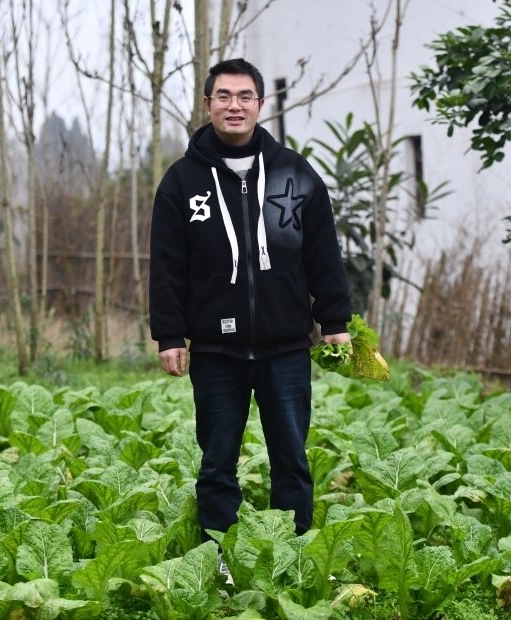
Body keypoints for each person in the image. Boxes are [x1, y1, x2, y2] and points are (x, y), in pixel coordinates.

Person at [148, 58, 352, 542]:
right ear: (207, 105)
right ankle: (220, 559)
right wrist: (169, 334)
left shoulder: (295, 174)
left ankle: (293, 553)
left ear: (260, 104)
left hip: (285, 346)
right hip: (217, 352)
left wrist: (335, 320)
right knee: (217, 461)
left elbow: (323, 250)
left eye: (244, 96)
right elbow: (167, 263)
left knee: (292, 459)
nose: (234, 105)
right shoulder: (181, 181)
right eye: (223, 96)